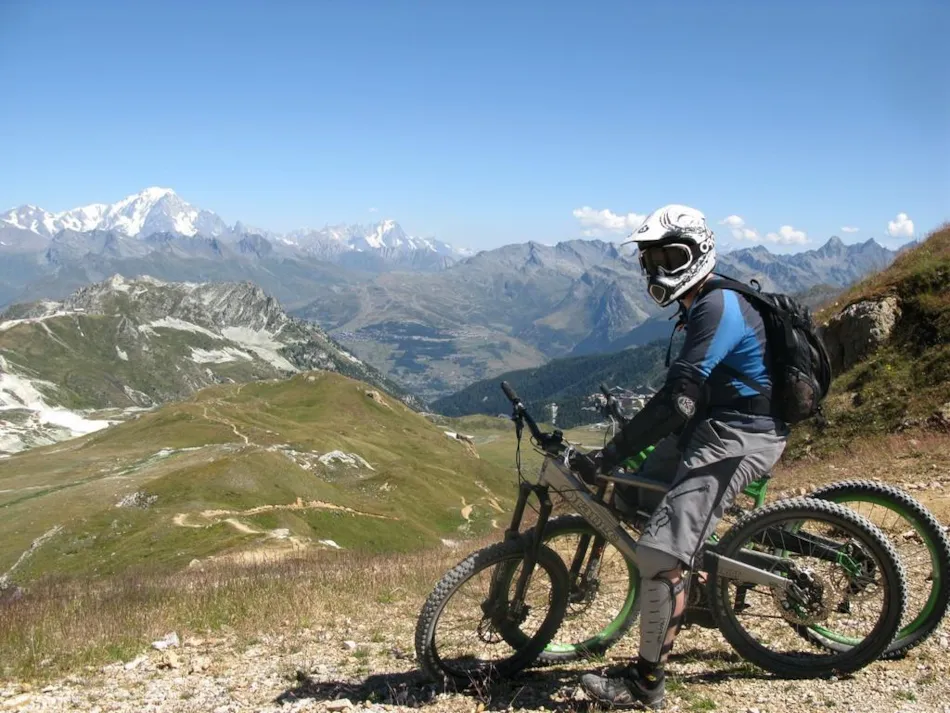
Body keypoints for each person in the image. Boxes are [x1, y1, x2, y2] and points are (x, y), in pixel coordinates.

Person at [570, 204, 789, 710]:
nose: (659, 270)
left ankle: (645, 685)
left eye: (670, 256)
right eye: (650, 261)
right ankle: (694, 583)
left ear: (699, 250)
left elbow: (679, 399)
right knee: (636, 491)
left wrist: (609, 451)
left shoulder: (716, 306)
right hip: (712, 425)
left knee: (660, 552)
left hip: (740, 434)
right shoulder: (700, 302)